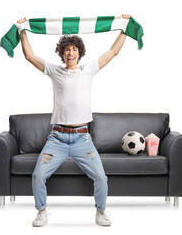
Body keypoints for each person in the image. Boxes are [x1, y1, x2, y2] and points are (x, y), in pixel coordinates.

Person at [17, 14, 131, 227]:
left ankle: (101, 211)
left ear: (79, 53)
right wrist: (23, 30)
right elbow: (30, 56)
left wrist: (125, 27)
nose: (70, 52)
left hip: (82, 140)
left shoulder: (89, 69)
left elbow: (113, 52)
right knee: (38, 176)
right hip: (57, 139)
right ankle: (41, 211)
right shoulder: (54, 71)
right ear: (62, 53)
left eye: (74, 49)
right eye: (67, 49)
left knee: (101, 177)